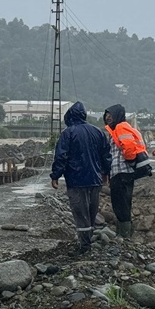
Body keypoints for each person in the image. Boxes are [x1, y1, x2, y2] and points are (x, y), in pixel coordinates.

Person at [50, 101, 112, 255]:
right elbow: (106, 155)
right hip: (95, 180)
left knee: (80, 212)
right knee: (91, 212)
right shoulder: (97, 132)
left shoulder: (68, 133)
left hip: (76, 180)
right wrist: (105, 173)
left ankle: (84, 247)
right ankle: (88, 241)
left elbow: (61, 156)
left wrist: (55, 175)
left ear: (69, 116)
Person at [103, 103, 152, 240]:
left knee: (120, 204)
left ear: (117, 115)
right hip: (124, 173)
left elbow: (129, 146)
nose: (108, 117)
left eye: (110, 114)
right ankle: (123, 236)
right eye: (106, 115)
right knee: (124, 203)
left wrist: (130, 160)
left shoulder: (120, 127)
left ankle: (123, 236)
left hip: (121, 172)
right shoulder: (121, 127)